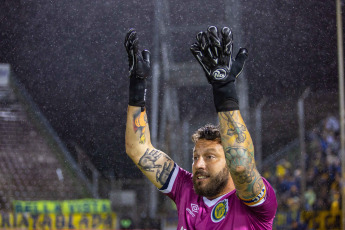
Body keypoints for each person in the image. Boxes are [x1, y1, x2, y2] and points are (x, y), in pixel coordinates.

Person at [124, 26, 277, 229]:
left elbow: (241, 164)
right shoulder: (185, 189)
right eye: (196, 157)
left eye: (210, 156)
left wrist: (225, 92)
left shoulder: (256, 207)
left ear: (228, 161)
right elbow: (138, 149)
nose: (199, 165)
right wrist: (137, 87)